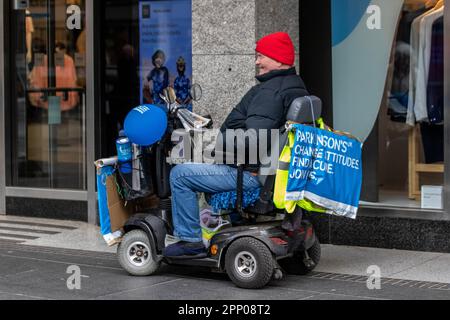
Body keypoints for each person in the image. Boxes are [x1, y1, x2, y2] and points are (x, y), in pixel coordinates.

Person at [163, 32, 309, 257]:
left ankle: (190, 240)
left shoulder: (270, 92)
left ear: (279, 60)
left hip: (250, 174)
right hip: (270, 173)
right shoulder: (295, 86)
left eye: (261, 56)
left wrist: (216, 144)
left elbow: (254, 141)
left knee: (180, 174)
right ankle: (230, 224)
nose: (257, 61)